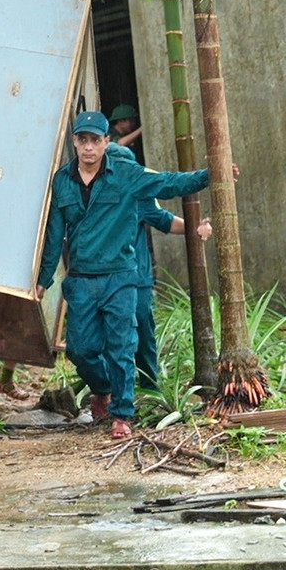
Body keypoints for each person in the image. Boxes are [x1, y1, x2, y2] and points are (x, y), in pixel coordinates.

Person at [35, 111, 216, 440]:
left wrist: (210, 174)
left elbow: (169, 185)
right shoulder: (62, 181)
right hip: (82, 278)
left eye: (95, 140)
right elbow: (53, 234)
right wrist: (44, 279)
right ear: (75, 142)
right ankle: (103, 388)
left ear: (106, 142)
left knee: (123, 345)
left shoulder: (127, 176)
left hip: (121, 276)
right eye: (83, 140)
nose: (89, 147)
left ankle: (123, 413)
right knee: (80, 348)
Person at [106, 143, 212, 391]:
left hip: (137, 277)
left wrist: (196, 229)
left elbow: (164, 220)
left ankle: (149, 387)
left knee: (143, 330)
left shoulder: (138, 194)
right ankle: (112, 389)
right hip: (104, 277)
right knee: (110, 334)